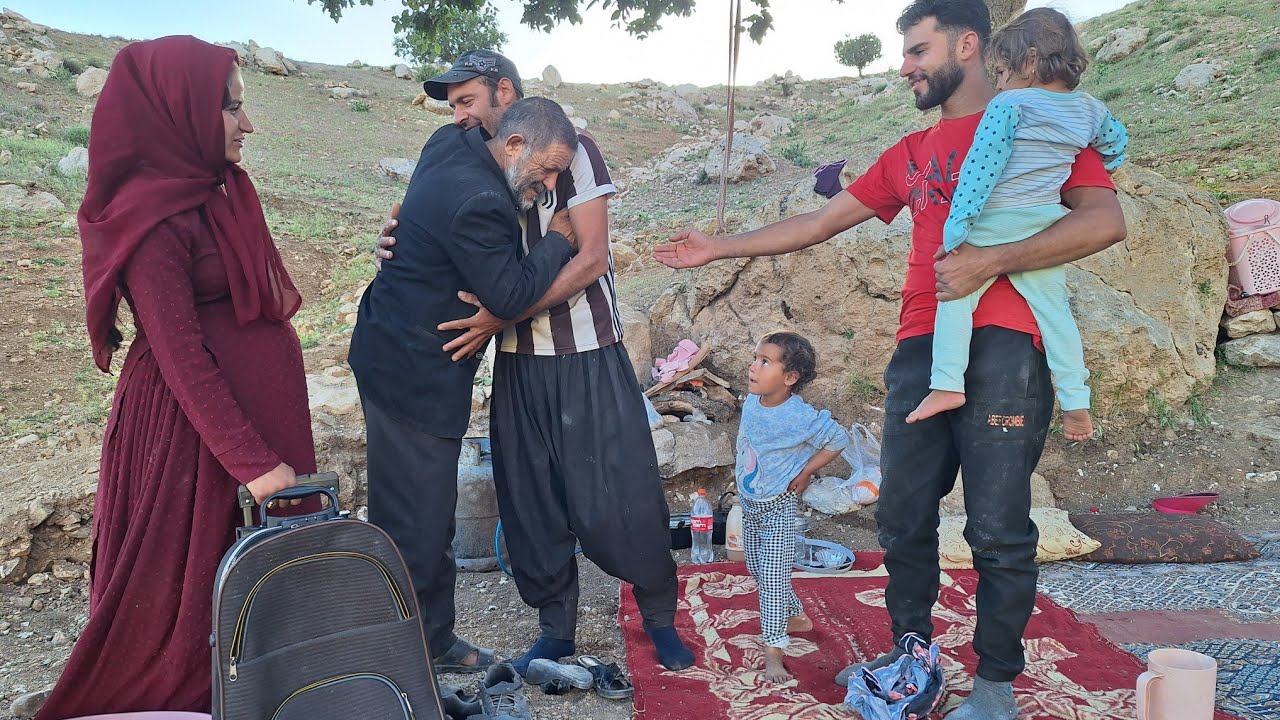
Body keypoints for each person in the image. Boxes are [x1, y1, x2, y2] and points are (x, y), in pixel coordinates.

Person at [653, 1, 1127, 717]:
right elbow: (818, 221)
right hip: (920, 349)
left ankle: (995, 686)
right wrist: (719, 246)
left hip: (1007, 345)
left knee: (997, 525)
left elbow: (1103, 220)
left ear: (969, 45)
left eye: (917, 50)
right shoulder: (910, 154)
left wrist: (987, 262)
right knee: (902, 515)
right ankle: (910, 651)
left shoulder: (1038, 121)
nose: (904, 66)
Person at [377, 50, 694, 673]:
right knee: (530, 503)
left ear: (505, 95)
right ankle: (556, 629)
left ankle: (658, 615)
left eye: (468, 101)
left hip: (586, 353)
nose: (460, 116)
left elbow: (592, 255)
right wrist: (389, 239)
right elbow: (426, 227)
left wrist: (503, 313)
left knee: (620, 493)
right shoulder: (470, 158)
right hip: (517, 362)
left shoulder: (572, 149)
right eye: (454, 107)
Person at [38, 36, 312, 718]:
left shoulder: (214, 194)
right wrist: (251, 461)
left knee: (248, 594)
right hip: (192, 442)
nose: (246, 125)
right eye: (230, 109)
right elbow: (179, 353)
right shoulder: (152, 217)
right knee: (181, 611)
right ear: (180, 109)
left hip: (233, 434)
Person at [347, 96, 580, 676]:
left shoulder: (451, 143)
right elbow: (505, 296)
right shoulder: (481, 200)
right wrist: (556, 242)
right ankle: (409, 656)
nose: (550, 183)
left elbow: (422, 214)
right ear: (515, 144)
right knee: (417, 524)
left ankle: (428, 638)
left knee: (421, 514)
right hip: (412, 376)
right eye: (547, 168)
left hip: (392, 350)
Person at [907, 7, 1128, 442]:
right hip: (1042, 222)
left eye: (1003, 70)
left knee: (954, 294)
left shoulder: (1009, 104)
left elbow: (980, 170)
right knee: (1056, 318)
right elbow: (1115, 143)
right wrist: (1111, 163)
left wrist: (958, 231)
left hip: (997, 220)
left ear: (1027, 62)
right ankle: (1076, 402)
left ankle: (946, 385)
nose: (999, 82)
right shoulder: (1090, 110)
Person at [735, 331, 848, 683]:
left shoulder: (799, 416)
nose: (754, 367)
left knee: (770, 581)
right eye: (755, 358)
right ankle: (796, 616)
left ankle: (773, 652)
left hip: (778, 511)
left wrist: (807, 472)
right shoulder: (753, 400)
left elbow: (838, 439)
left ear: (790, 378)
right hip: (750, 505)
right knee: (757, 569)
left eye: (765, 362)